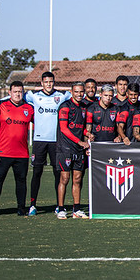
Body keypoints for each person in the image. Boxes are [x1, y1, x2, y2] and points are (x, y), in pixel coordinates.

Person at [24, 71, 70, 217]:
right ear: (41, 83)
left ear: (54, 82)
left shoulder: (62, 96)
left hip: (56, 141)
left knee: (58, 174)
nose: (48, 84)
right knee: (37, 173)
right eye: (46, 82)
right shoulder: (33, 95)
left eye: (51, 81)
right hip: (39, 140)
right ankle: (32, 205)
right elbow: (16, 97)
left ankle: (59, 205)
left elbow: (77, 96)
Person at [0, 81, 34, 217]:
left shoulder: (29, 108)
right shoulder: (1, 106)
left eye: (20, 91)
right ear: (9, 93)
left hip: (21, 153)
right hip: (3, 152)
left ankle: (21, 208)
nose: (18, 94)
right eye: (15, 91)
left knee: (21, 181)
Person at [56, 82, 90, 219]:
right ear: (71, 92)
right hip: (65, 148)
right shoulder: (65, 107)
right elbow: (64, 129)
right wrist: (80, 141)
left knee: (77, 179)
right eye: (76, 92)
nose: (79, 94)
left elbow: (80, 127)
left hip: (79, 149)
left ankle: (77, 209)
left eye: (81, 92)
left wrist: (88, 134)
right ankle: (61, 208)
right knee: (65, 178)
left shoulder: (83, 107)